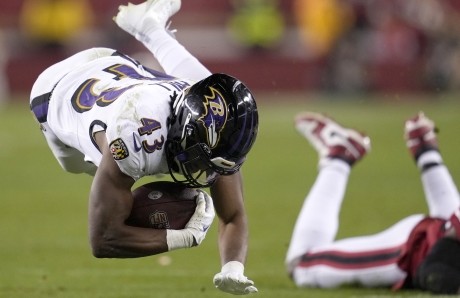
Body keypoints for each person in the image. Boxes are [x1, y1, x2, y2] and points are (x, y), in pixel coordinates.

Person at [29, 0, 258, 295]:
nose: (205, 175)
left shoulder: (211, 127)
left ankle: (149, 26)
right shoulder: (133, 139)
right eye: (202, 162)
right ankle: (149, 26)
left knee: (203, 83)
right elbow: (103, 239)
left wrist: (232, 269)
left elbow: (234, 215)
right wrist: (181, 237)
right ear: (185, 134)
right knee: (74, 165)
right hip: (54, 89)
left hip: (119, 68)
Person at [285, 111, 460, 295]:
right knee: (301, 265)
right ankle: (339, 157)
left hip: (443, 230)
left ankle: (426, 152)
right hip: (411, 252)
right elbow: (435, 269)